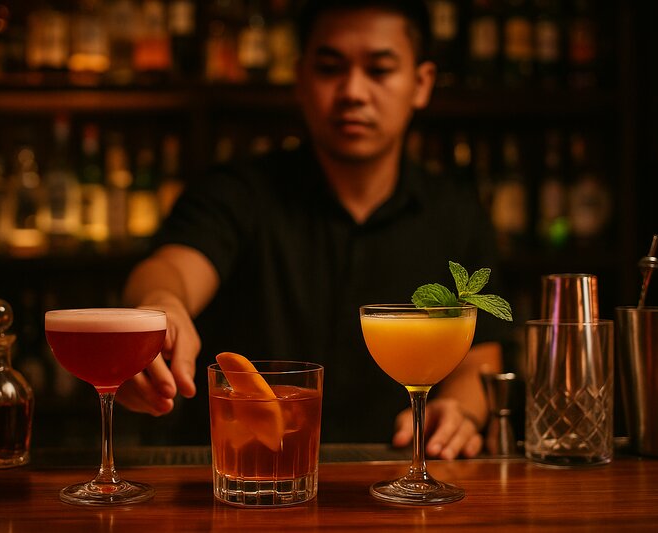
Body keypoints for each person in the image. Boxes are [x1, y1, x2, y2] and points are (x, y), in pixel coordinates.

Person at [119, 0, 506, 459]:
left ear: (421, 85)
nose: (353, 92)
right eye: (329, 68)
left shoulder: (455, 212)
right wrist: (159, 305)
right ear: (300, 79)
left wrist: (459, 410)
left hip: (393, 480)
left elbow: (480, 353)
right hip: (247, 480)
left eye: (379, 70)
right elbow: (172, 269)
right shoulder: (238, 192)